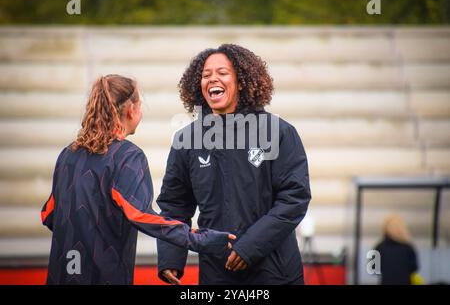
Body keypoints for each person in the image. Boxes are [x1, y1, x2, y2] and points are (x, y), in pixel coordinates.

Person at [41, 74, 235, 285]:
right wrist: (203, 239)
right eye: (140, 104)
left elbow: (48, 214)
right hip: (102, 277)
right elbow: (142, 216)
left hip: (60, 275)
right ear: (131, 110)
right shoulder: (127, 156)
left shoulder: (68, 153)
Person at [157, 44, 311, 285]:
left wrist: (249, 247)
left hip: (274, 271)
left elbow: (294, 199)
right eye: (206, 75)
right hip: (217, 272)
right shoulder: (187, 140)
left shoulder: (279, 132)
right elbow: (175, 204)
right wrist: (171, 259)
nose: (212, 79)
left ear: (241, 81)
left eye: (222, 73)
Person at [374, 214, 420, 285]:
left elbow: (372, 269)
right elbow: (415, 267)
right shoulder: (408, 247)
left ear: (385, 228)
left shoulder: (379, 247)